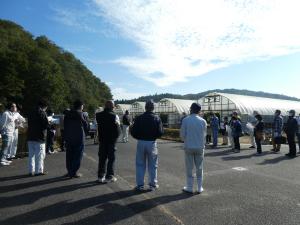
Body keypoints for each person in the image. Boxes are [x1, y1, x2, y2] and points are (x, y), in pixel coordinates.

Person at [130, 100, 163, 191]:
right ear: (153, 107)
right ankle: (152, 185)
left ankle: (140, 185)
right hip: (152, 142)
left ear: (145, 107)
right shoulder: (157, 118)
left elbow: (133, 132)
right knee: (153, 165)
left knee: (140, 164)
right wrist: (154, 137)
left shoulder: (139, 117)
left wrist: (139, 137)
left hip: (141, 142)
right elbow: (160, 133)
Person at [180, 103, 207, 194]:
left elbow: (182, 135)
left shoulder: (185, 120)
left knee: (189, 168)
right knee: (200, 168)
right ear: (199, 110)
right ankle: (199, 188)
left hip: (189, 146)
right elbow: (204, 135)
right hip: (199, 147)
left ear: (191, 109)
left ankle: (190, 187)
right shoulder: (203, 121)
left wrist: (186, 141)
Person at [96, 100, 121, 183]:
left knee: (102, 158)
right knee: (111, 159)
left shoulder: (98, 115)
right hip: (111, 141)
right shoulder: (115, 116)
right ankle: (109, 176)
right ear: (112, 106)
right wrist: (115, 138)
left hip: (102, 140)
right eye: (113, 106)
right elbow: (118, 131)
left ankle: (100, 176)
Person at [64, 100, 89, 178]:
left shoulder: (67, 114)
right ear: (81, 106)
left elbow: (64, 125)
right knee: (78, 155)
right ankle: (73, 172)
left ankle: (69, 171)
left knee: (69, 155)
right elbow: (86, 125)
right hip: (79, 137)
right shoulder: (81, 114)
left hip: (69, 137)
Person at [27, 100, 49, 175]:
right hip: (39, 136)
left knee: (31, 155)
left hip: (30, 135)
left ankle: (31, 170)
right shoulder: (42, 113)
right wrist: (50, 123)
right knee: (40, 155)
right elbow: (46, 125)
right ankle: (39, 171)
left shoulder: (31, 112)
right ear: (44, 106)